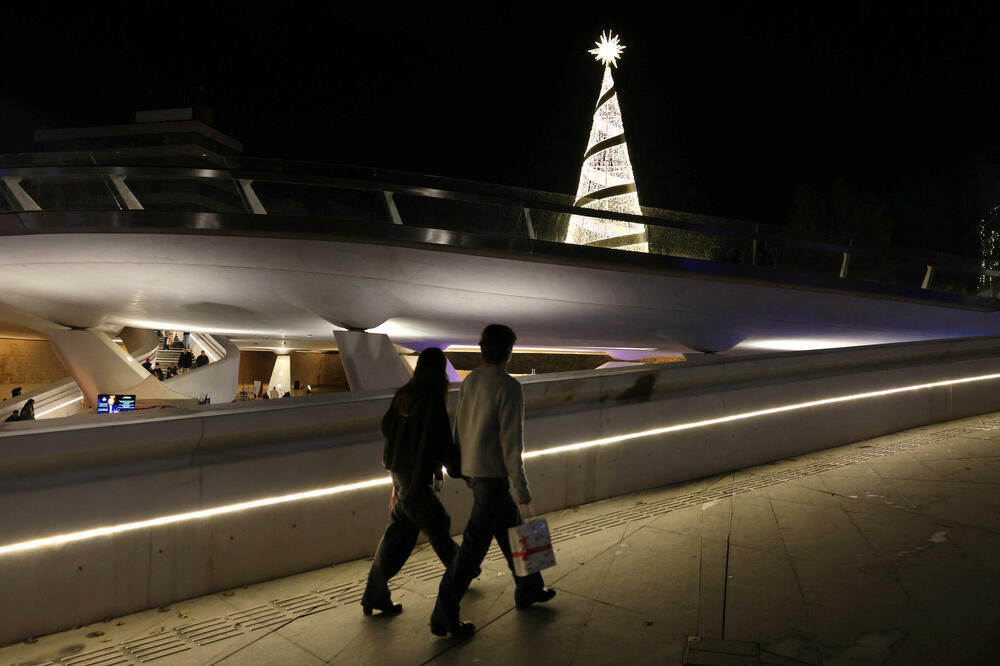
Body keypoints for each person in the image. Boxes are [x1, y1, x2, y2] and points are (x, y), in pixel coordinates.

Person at [430, 324, 555, 638]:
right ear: (508, 352)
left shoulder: (470, 381)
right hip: (494, 477)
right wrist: (523, 486)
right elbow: (512, 444)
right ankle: (443, 615)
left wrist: (464, 471)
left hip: (477, 474)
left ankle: (530, 587)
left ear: (483, 349)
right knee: (471, 550)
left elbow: (458, 426)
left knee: (514, 528)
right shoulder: (509, 386)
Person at [362, 347, 464, 616]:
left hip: (400, 475)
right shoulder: (432, 401)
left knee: (401, 534)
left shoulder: (403, 396)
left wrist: (396, 481)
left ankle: (374, 595)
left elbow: (387, 429)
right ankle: (461, 572)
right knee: (435, 526)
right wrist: (459, 470)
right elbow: (443, 443)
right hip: (416, 479)